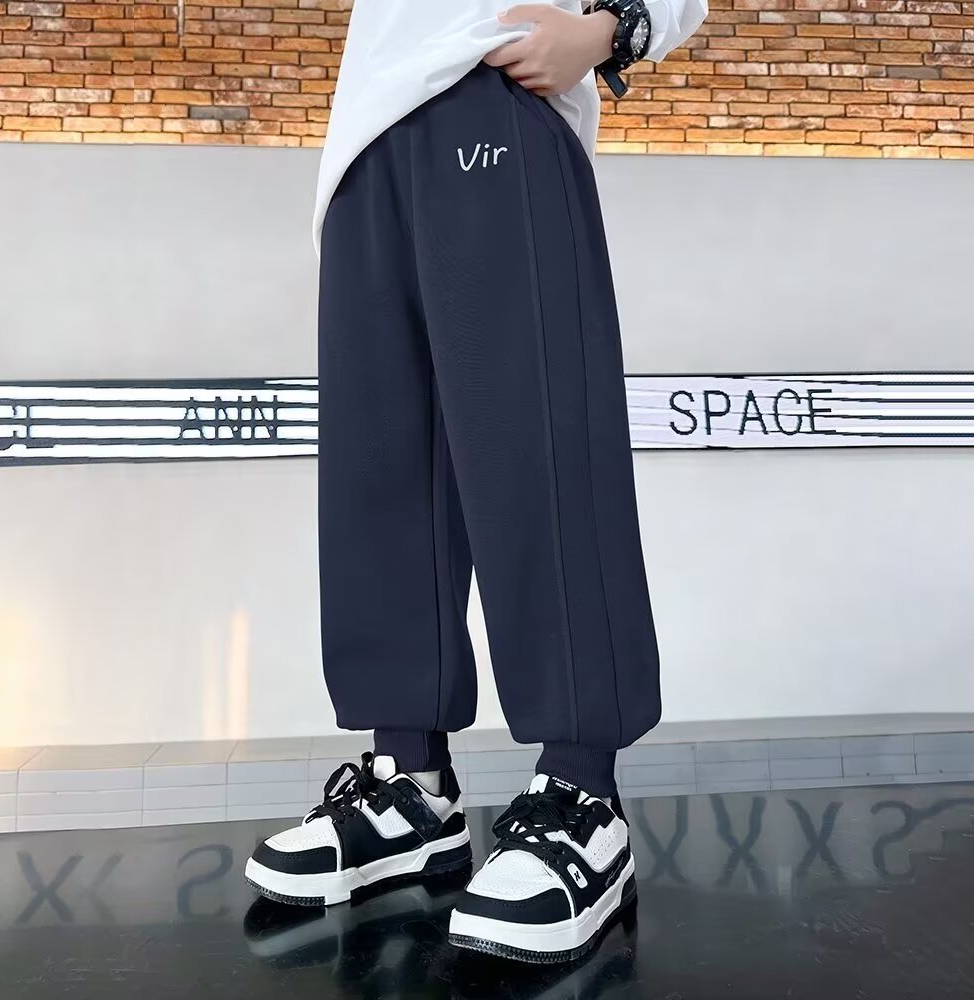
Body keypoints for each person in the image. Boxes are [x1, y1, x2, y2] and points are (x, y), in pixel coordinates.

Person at [245, 0, 707, 964]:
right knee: (380, 476)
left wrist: (617, 27)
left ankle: (583, 790)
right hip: (364, 140)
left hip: (493, 96)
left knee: (536, 449)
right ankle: (409, 783)